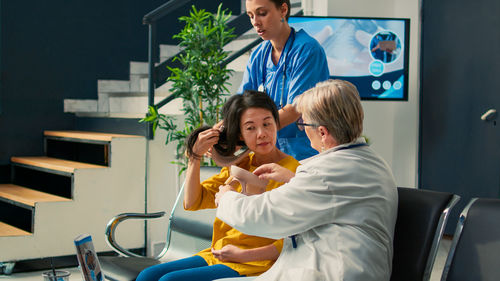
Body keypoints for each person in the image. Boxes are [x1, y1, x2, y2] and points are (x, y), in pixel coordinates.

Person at [215, 80, 398, 281]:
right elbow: (335, 196)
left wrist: (226, 198)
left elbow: (263, 216)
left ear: (322, 132)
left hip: (332, 273)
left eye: (303, 124)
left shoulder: (324, 173)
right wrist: (295, 179)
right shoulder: (369, 161)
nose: (302, 129)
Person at [136, 90, 300, 281]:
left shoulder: (292, 172)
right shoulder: (239, 165)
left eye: (267, 123)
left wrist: (242, 255)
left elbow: (294, 241)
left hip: (258, 262)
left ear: (276, 123)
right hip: (219, 254)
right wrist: (195, 157)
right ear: (239, 135)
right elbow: (192, 202)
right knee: (147, 276)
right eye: (250, 128)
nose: (262, 134)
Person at [239, 0, 330, 161]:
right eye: (251, 16)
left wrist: (244, 134)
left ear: (283, 10)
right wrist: (221, 132)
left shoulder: (307, 50)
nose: (255, 22)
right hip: (269, 155)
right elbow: (240, 104)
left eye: (262, 13)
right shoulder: (258, 56)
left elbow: (295, 109)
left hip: (305, 155)